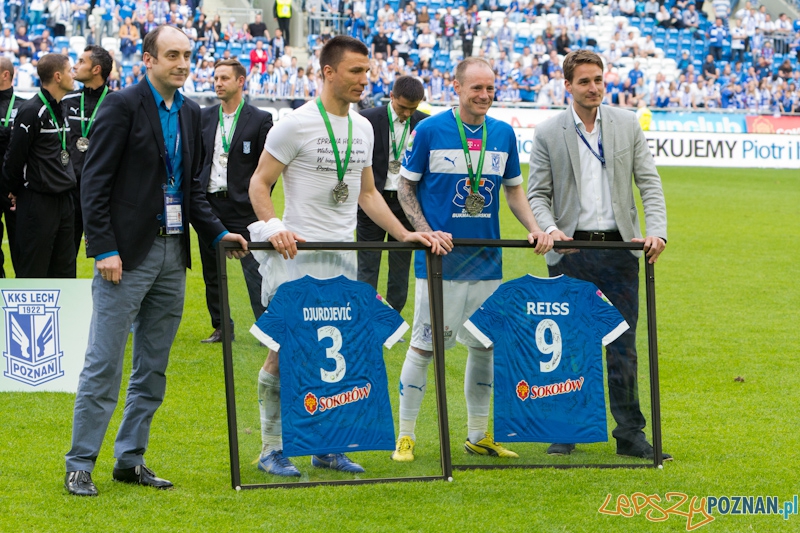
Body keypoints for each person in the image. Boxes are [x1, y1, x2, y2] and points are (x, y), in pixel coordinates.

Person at [246, 36, 449, 477]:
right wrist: (275, 227)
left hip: (344, 260)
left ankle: (327, 446)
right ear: (328, 72)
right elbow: (259, 184)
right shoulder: (294, 125)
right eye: (356, 71)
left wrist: (405, 232)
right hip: (298, 257)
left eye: (367, 71)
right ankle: (270, 449)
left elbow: (368, 194)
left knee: (336, 354)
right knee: (285, 353)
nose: (364, 79)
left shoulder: (364, 127)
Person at [64, 26, 249, 497]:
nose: (182, 63)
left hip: (172, 254)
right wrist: (104, 248)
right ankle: (80, 463)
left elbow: (191, 191)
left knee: (153, 368)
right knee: (104, 364)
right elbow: (93, 182)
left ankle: (130, 459)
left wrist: (219, 233)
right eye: (172, 55)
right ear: (148, 59)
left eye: (187, 55)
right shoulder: (121, 105)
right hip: (124, 257)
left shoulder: (192, 112)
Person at [392, 57, 553, 463]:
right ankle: (405, 437)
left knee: (484, 347)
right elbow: (405, 189)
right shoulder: (429, 130)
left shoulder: (503, 133)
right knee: (424, 347)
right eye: (476, 87)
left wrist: (534, 227)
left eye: (490, 88)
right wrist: (425, 231)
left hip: (487, 261)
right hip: (440, 261)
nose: (484, 95)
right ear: (457, 87)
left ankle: (478, 436)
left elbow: (513, 190)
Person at [527, 49, 671, 462]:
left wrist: (656, 231)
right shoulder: (548, 132)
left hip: (621, 251)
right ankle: (566, 428)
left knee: (623, 346)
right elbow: (537, 194)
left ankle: (630, 435)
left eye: (598, 80)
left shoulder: (626, 123)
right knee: (569, 345)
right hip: (571, 252)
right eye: (584, 81)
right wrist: (550, 229)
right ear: (567, 85)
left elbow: (649, 183)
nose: (593, 88)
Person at [197, 59, 273, 343]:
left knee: (256, 270)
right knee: (212, 271)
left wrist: (256, 200)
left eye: (224, 78)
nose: (218, 83)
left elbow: (268, 169)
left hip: (244, 207)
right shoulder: (204, 117)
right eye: (216, 78)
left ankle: (267, 328)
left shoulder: (260, 119)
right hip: (210, 205)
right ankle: (222, 327)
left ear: (241, 81)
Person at [356, 76, 427, 314]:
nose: (407, 113)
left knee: (400, 269)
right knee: (367, 264)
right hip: (372, 202)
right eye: (402, 107)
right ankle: (364, 317)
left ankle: (391, 320)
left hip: (407, 205)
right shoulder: (366, 119)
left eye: (412, 109)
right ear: (392, 97)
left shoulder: (425, 123)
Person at [2, 54, 76, 278]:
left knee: (65, 273)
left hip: (65, 200)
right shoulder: (31, 110)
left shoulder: (63, 107)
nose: (73, 75)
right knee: (33, 272)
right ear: (58, 76)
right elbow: (14, 157)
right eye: (70, 70)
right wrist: (12, 190)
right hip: (38, 202)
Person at [62, 45, 113, 258]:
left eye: (81, 61)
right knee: (65, 257)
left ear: (96, 69)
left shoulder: (116, 104)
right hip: (69, 190)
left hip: (104, 193)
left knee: (108, 254)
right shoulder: (66, 101)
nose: (75, 65)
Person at [0, 57, 23, 277]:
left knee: (20, 246)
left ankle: (23, 290)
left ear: (5, 75)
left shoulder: (24, 106)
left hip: (15, 189)